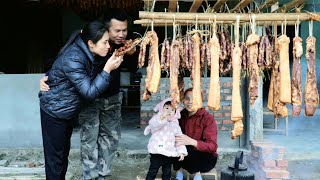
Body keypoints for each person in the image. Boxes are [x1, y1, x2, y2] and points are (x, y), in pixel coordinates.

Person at [40, 9, 139, 180]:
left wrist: (133, 53)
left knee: (109, 140)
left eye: (124, 30)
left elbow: (134, 63)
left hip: (110, 99)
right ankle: (90, 177)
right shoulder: (93, 41)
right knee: (87, 142)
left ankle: (103, 176)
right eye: (117, 31)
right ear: (106, 30)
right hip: (86, 101)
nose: (122, 35)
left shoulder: (126, 44)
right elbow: (62, 59)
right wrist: (47, 76)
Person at [173, 88, 218, 180]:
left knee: (191, 150)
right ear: (183, 100)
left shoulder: (207, 118)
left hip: (204, 159)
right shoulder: (179, 116)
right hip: (184, 156)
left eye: (194, 99)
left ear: (200, 101)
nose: (190, 102)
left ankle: (197, 176)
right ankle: (179, 172)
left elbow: (212, 146)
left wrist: (191, 141)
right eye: (187, 98)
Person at [144, 98, 188, 180]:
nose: (169, 111)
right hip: (156, 151)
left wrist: (181, 151)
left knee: (167, 172)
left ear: (175, 112)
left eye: (172, 110)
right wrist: (162, 117)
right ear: (161, 108)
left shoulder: (175, 124)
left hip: (168, 152)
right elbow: (153, 124)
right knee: (153, 170)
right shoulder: (157, 118)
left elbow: (179, 138)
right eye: (167, 108)